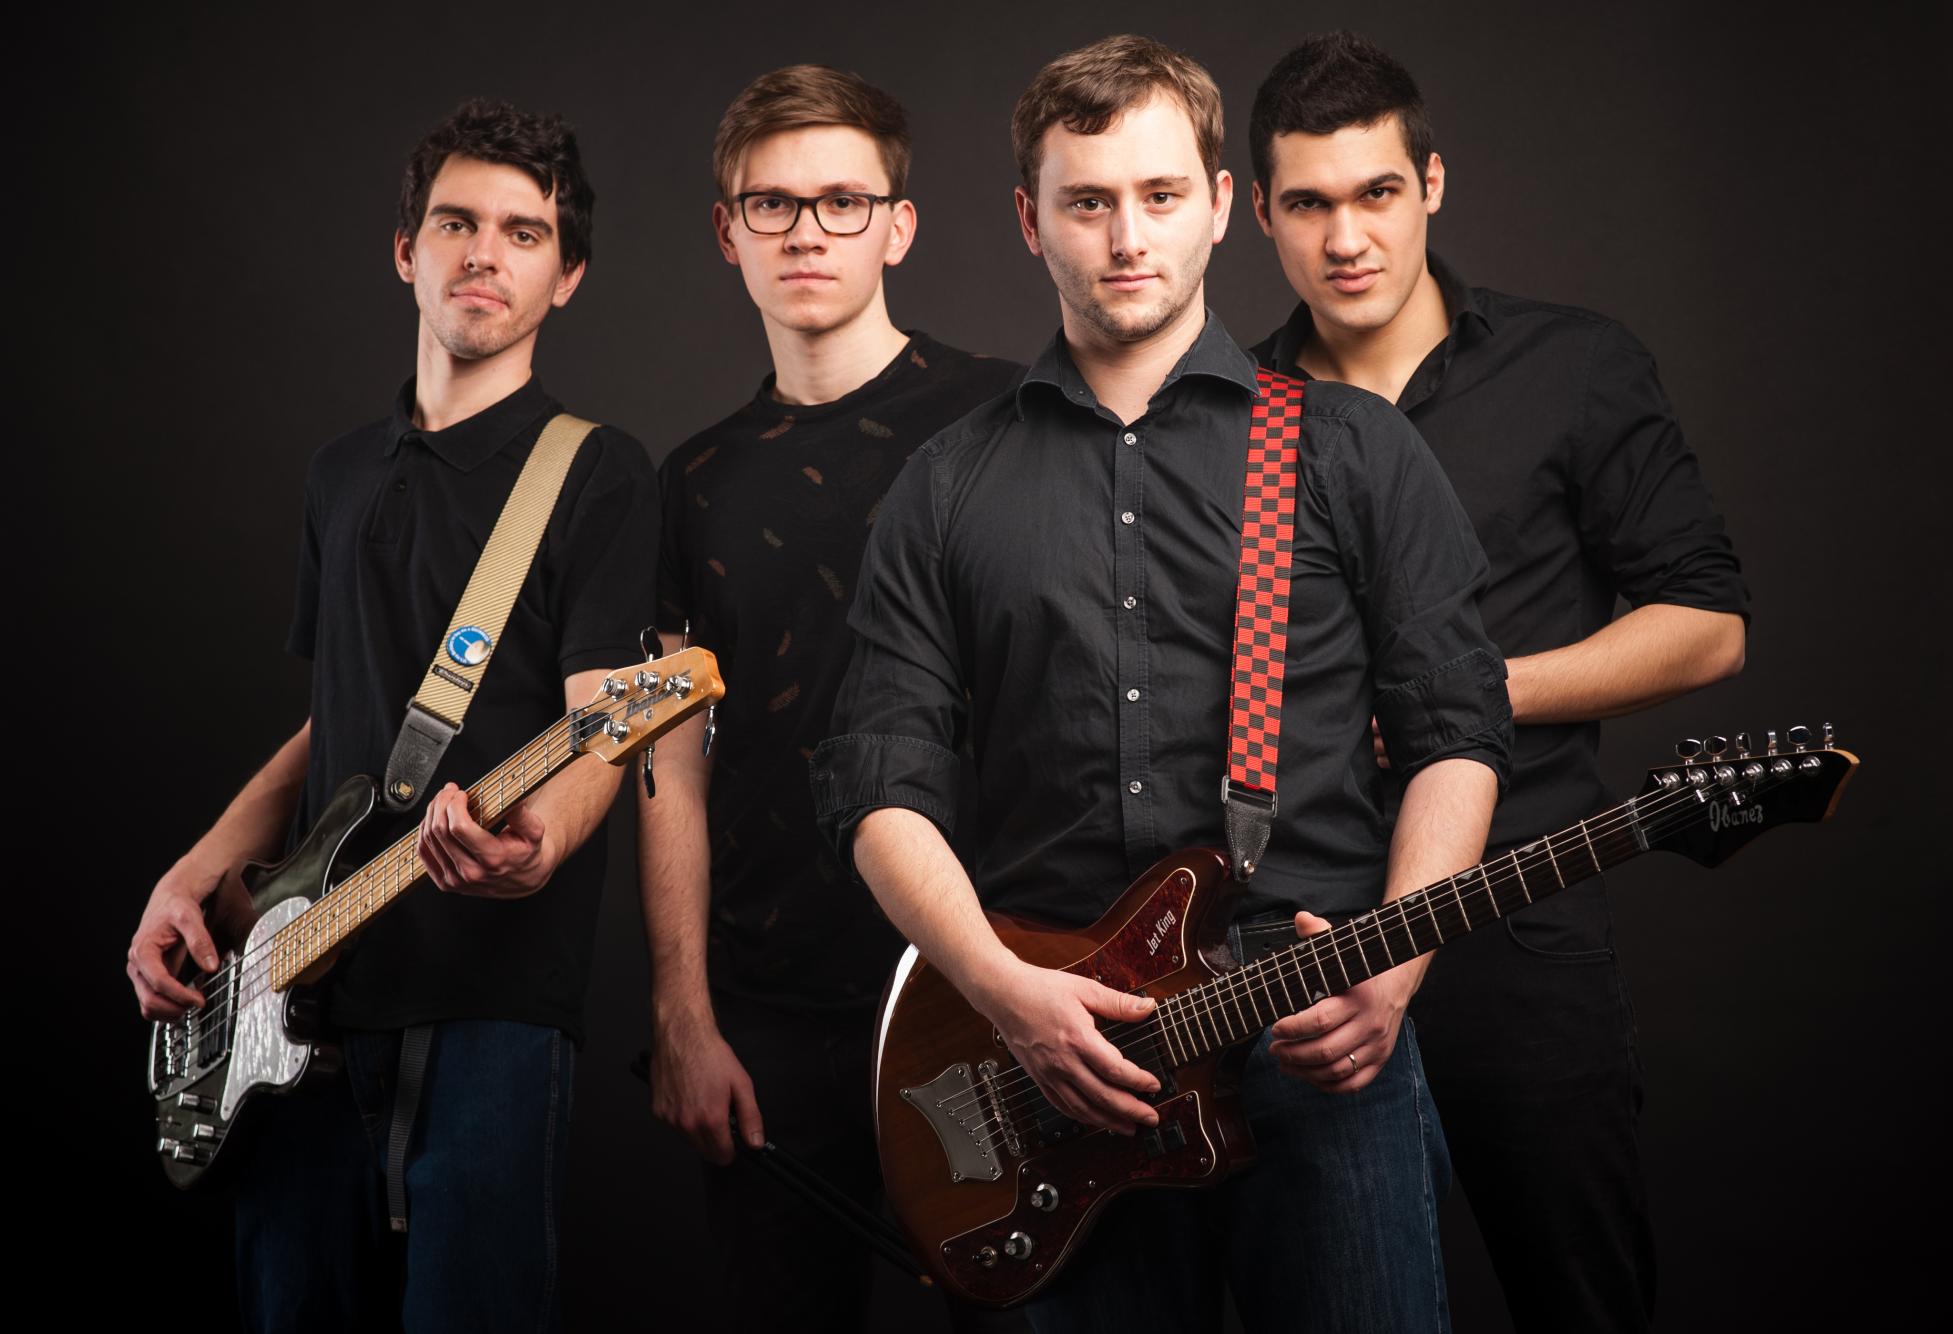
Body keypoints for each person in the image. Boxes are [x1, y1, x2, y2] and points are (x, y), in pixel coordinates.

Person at [813, 35, 1511, 1334]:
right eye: (1086, 201)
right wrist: (1001, 991)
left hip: (1317, 1035)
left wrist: (1398, 965)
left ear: (1220, 205)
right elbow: (878, 783)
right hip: (1058, 1066)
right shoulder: (944, 486)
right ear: (1029, 220)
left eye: (1159, 194)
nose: (1126, 236)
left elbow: (1455, 730)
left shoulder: (1351, 450)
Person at [125, 99, 658, 1333]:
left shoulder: (596, 471)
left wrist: (540, 848)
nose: (485, 253)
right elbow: (334, 716)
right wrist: (192, 872)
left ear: (567, 275)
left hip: (489, 999)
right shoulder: (340, 472)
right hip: (291, 993)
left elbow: (608, 724)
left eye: (523, 233)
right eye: (456, 223)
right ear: (407, 250)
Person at [1245, 32, 1750, 1332]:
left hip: (1520, 913)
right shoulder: (1228, 415)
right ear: (1260, 214)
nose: (1345, 237)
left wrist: (1463, 695)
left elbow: (1705, 625)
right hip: (1302, 942)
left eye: (1376, 192)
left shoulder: (1571, 366)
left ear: (1431, 183)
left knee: (1580, 1297)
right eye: (1308, 203)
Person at [639, 64, 1023, 1333]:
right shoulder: (694, 479)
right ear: (727, 231)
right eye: (773, 204)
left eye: (843, 202)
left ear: (896, 227)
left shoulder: (1002, 414)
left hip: (992, 974)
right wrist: (682, 1009)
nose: (807, 231)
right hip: (772, 1001)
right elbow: (670, 756)